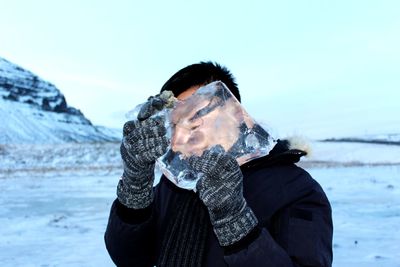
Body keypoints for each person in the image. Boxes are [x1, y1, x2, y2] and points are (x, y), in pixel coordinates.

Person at [105, 62, 333, 267]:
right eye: (172, 125)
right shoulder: (175, 186)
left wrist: (235, 221)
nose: (179, 137)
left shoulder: (296, 189)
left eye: (195, 115)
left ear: (234, 112)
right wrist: (135, 185)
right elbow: (130, 258)